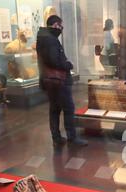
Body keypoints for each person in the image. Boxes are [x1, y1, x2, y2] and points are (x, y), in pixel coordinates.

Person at [36, 15, 88, 148]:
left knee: (54, 108)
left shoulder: (42, 38)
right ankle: (72, 138)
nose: (61, 28)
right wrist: (68, 65)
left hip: (49, 80)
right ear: (55, 25)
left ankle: (56, 137)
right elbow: (54, 60)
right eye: (60, 25)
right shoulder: (50, 40)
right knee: (68, 108)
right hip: (59, 80)